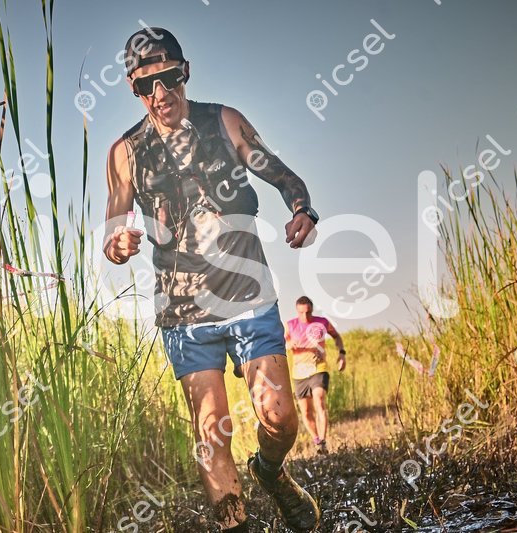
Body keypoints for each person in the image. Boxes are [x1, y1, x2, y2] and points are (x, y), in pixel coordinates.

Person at [103, 26, 322, 533]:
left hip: (249, 298)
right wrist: (117, 244)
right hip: (183, 315)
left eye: (169, 78)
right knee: (211, 434)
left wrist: (302, 209)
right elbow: (113, 231)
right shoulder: (125, 153)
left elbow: (284, 176)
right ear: (134, 89)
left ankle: (270, 472)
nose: (160, 94)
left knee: (279, 417)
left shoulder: (225, 122)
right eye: (146, 86)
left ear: (186, 71)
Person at [285, 296, 346, 455]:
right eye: (301, 313)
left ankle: (323, 440)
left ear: (312, 309)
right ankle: (317, 440)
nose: (305, 316)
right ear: (297, 311)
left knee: (319, 400)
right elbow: (281, 343)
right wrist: (289, 344)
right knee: (306, 412)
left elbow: (337, 336)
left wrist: (342, 354)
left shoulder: (322, 322)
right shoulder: (290, 325)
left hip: (318, 368)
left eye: (308, 312)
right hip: (299, 373)